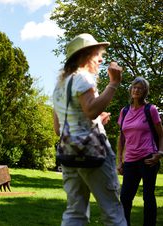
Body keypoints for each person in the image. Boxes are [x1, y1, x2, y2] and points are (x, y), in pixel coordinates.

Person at [53, 33, 127, 226]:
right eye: (97, 54)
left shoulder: (59, 86)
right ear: (85, 56)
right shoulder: (83, 78)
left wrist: (98, 121)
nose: (101, 59)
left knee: (75, 212)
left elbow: (57, 128)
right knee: (113, 212)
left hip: (69, 154)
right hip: (94, 154)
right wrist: (113, 84)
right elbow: (92, 109)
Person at [117, 77, 163, 226]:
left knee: (148, 197)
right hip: (130, 160)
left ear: (145, 92)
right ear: (130, 90)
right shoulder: (124, 111)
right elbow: (121, 138)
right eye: (134, 87)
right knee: (124, 198)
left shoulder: (151, 109)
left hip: (148, 158)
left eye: (140, 88)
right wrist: (119, 161)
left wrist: (160, 153)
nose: (136, 90)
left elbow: (161, 134)